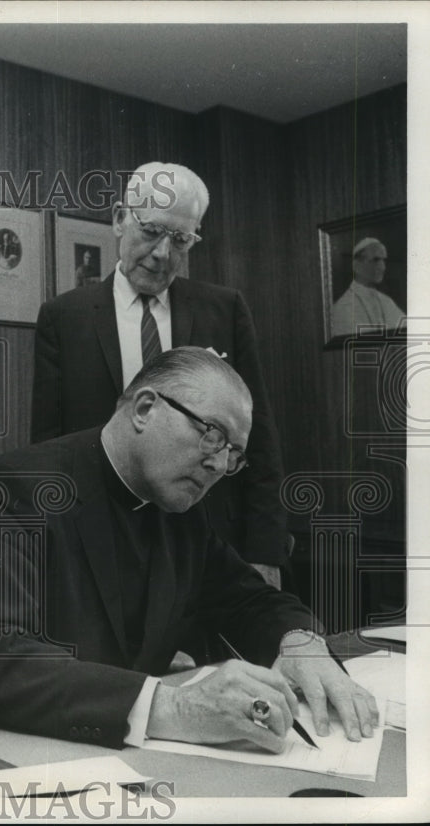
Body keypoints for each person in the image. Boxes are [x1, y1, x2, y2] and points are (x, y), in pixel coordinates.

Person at [0, 347, 378, 752]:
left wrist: (300, 641)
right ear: (145, 408)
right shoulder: (19, 487)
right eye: (211, 434)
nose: (218, 463)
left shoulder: (181, 509)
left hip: (103, 755)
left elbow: (248, 599)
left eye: (233, 453)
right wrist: (172, 706)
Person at [32, 162, 287, 590]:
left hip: (208, 545)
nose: (163, 254)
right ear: (119, 219)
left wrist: (265, 552)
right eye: (151, 231)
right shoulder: (64, 317)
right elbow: (48, 446)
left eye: (181, 240)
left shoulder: (224, 310)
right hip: (101, 544)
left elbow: (256, 439)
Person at [329, 237, 405, 337]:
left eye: (384, 260)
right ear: (356, 266)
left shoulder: (387, 301)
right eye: (376, 260)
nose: (383, 267)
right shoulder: (343, 307)